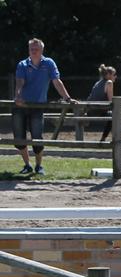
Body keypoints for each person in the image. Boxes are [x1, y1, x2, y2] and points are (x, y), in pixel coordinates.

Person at [13, 38, 74, 175]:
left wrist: (67, 98)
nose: (33, 51)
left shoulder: (49, 63)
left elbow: (56, 81)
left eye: (36, 49)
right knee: (19, 138)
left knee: (37, 137)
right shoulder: (22, 64)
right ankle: (27, 165)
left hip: (37, 106)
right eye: (31, 49)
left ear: (42, 50)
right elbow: (19, 82)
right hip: (21, 106)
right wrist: (18, 96)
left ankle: (39, 166)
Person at [85, 64, 117, 142]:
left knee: (113, 115)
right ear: (109, 75)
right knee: (115, 115)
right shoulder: (109, 82)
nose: (115, 76)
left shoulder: (97, 82)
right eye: (114, 74)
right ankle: (106, 138)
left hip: (90, 110)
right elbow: (111, 102)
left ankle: (106, 137)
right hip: (98, 110)